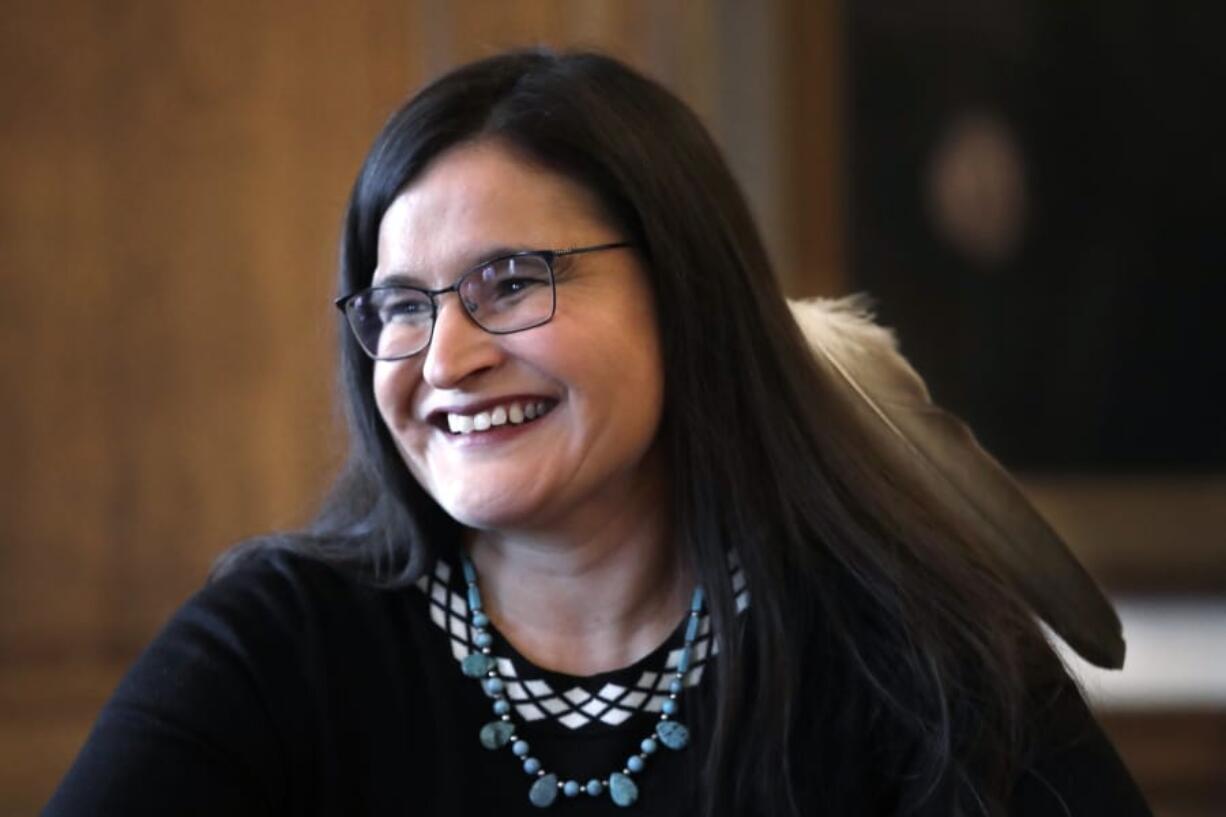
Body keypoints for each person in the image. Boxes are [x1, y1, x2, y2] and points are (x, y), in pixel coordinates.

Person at [45, 50, 1152, 817]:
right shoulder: (276, 646)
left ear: (683, 288)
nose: (444, 359)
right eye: (400, 307)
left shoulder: (906, 653)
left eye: (511, 280)